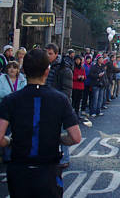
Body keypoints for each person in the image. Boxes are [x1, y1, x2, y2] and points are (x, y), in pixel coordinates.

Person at [0, 48, 81, 198]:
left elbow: (0, 137)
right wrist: (58, 138)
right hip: (48, 170)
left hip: (19, 170)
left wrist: (9, 140)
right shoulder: (60, 99)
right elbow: (75, 137)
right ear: (47, 71)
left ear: (24, 70)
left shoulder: (10, 100)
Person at [45, 43, 73, 169]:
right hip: (47, 103)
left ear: (56, 54)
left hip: (58, 105)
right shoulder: (45, 66)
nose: (47, 55)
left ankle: (65, 158)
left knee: (61, 132)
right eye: (46, 53)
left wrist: (61, 105)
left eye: (50, 53)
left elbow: (66, 90)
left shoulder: (64, 68)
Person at [72, 55, 86, 120]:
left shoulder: (82, 68)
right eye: (76, 60)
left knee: (78, 101)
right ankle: (72, 114)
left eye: (79, 60)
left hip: (81, 86)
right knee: (73, 101)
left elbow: (85, 76)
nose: (78, 61)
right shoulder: (73, 68)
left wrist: (82, 77)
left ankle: (77, 114)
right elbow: (71, 76)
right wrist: (77, 77)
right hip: (74, 86)